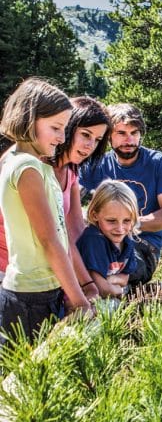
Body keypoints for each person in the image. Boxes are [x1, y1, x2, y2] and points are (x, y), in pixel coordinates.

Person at [0, 78, 92, 342]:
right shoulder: (26, 168)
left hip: (45, 290)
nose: (62, 138)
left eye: (64, 129)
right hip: (29, 296)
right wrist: (79, 299)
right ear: (29, 119)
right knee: (22, 379)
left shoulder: (37, 165)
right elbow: (49, 240)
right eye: (55, 127)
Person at [0, 97, 110, 305]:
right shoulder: (31, 165)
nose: (90, 146)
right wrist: (81, 293)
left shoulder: (70, 172)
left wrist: (93, 281)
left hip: (45, 273)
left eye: (97, 140)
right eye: (85, 135)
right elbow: (51, 239)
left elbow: (75, 231)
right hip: (13, 274)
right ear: (67, 128)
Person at [79, 103, 162, 287]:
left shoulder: (159, 163)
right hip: (101, 242)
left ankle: (112, 286)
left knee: (114, 269)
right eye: (122, 133)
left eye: (134, 133)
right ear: (109, 136)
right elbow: (70, 199)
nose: (129, 140)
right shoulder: (95, 164)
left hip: (143, 245)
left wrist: (126, 225)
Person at [77, 180, 139, 298]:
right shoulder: (94, 240)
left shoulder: (127, 240)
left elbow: (125, 278)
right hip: (84, 301)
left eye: (126, 221)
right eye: (111, 221)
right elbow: (101, 289)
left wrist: (112, 279)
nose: (120, 229)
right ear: (95, 215)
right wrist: (119, 290)